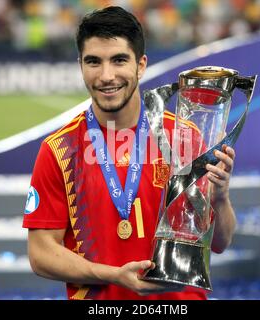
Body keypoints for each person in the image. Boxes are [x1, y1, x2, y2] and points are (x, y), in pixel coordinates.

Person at [22, 6, 237, 300]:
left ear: (141, 65)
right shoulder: (59, 150)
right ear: (81, 65)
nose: (106, 75)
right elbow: (40, 253)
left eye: (119, 60)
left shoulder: (185, 138)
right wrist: (113, 276)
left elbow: (220, 242)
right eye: (93, 62)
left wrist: (221, 199)